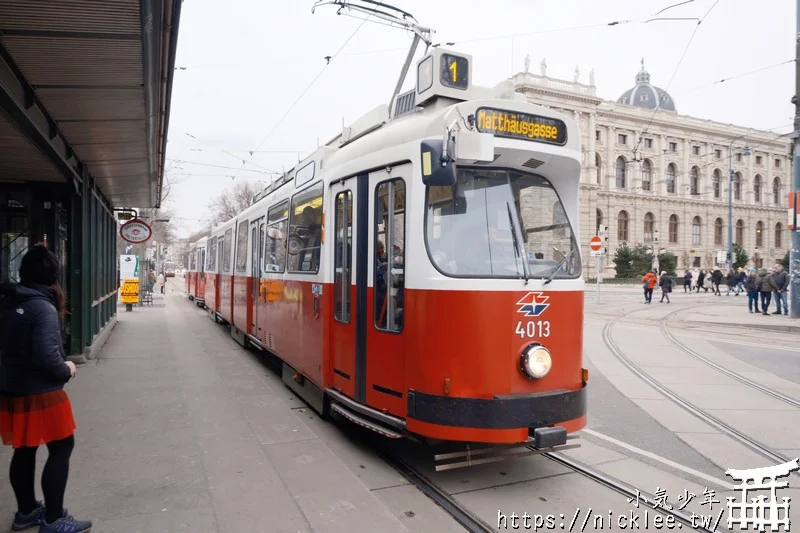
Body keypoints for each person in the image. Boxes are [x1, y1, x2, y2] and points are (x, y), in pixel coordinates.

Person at [0, 246, 92, 532]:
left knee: (25, 448)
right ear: (53, 276)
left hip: (13, 389)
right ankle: (53, 518)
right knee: (62, 447)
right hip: (42, 394)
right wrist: (68, 369)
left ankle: (26, 512)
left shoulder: (9, 301)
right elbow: (47, 357)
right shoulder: (43, 307)